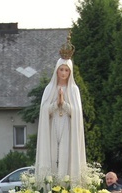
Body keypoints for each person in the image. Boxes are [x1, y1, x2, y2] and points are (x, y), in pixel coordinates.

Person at [34, 46, 87, 184]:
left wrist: (63, 103)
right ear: (56, 70)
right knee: (52, 154)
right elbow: (45, 110)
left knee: (65, 154)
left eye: (66, 70)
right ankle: (50, 184)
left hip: (68, 127)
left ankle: (66, 184)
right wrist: (55, 103)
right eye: (61, 69)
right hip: (52, 126)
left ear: (70, 72)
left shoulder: (74, 90)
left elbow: (76, 113)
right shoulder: (49, 89)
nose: (63, 73)